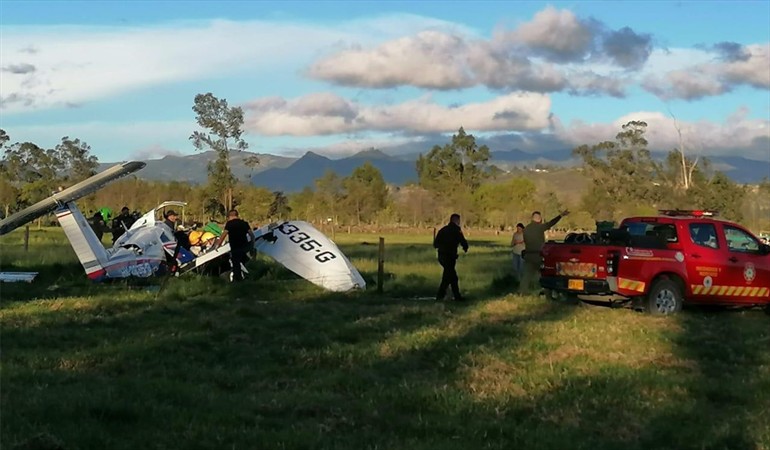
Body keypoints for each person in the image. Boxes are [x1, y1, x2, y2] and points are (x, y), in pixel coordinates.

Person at [519, 210, 570, 294]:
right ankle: (546, 292)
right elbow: (551, 223)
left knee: (526, 276)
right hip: (539, 255)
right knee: (545, 274)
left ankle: (521, 292)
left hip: (528, 255)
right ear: (539, 219)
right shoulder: (540, 227)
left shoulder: (526, 229)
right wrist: (560, 215)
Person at [433, 213, 469, 301]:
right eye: (458, 220)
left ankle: (454, 296)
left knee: (451, 276)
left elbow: (435, 244)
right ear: (455, 220)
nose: (459, 222)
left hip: (441, 256)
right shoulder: (457, 230)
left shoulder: (443, 230)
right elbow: (462, 241)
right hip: (450, 257)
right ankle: (441, 296)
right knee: (449, 277)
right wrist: (465, 247)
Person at [215, 209, 256, 282]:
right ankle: (246, 277)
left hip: (235, 247)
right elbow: (252, 235)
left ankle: (238, 280)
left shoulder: (229, 224)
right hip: (244, 246)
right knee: (243, 262)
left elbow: (223, 235)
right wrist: (252, 247)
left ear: (230, 216)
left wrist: (218, 245)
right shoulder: (244, 223)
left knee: (236, 264)